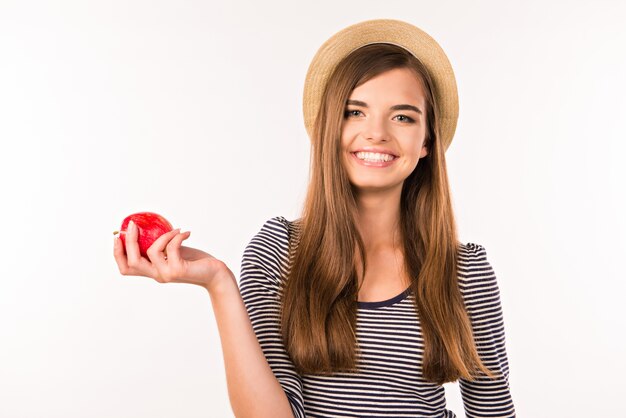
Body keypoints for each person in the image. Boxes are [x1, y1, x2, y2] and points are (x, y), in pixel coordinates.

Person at [113, 18, 515, 418]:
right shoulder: (278, 252)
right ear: (328, 127)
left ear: (426, 141)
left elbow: (494, 413)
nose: (376, 132)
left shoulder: (465, 270)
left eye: (403, 117)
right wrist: (220, 284)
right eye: (354, 112)